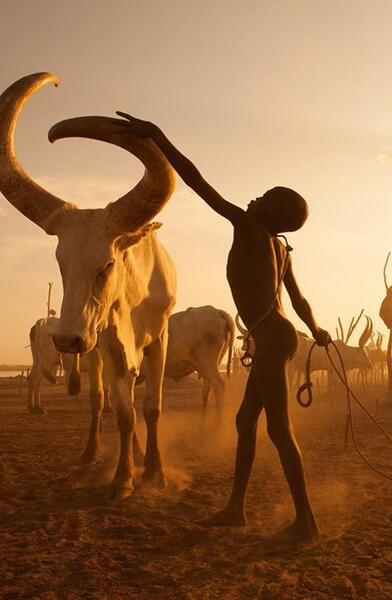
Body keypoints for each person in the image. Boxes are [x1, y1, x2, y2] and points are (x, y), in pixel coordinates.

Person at [115, 111, 330, 543]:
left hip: (272, 337)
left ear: (272, 213)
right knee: (245, 421)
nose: (253, 198)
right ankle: (236, 509)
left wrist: (158, 136)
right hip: (277, 334)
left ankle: (306, 521)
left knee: (279, 430)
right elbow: (298, 300)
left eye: (263, 197)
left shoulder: (250, 227)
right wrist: (317, 328)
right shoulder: (280, 247)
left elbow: (197, 182)